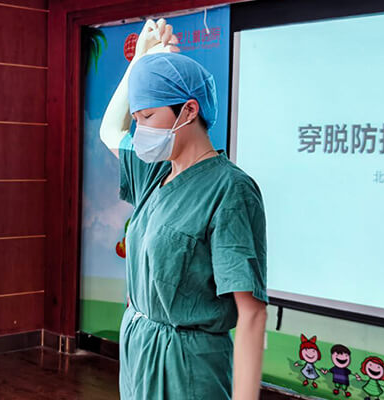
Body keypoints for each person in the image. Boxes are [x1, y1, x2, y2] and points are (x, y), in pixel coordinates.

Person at [99, 19, 268, 399]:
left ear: (189, 110)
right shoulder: (156, 173)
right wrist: (140, 60)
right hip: (140, 347)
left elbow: (252, 312)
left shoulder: (229, 189)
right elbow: (110, 130)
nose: (139, 129)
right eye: (137, 118)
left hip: (188, 363)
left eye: (147, 117)